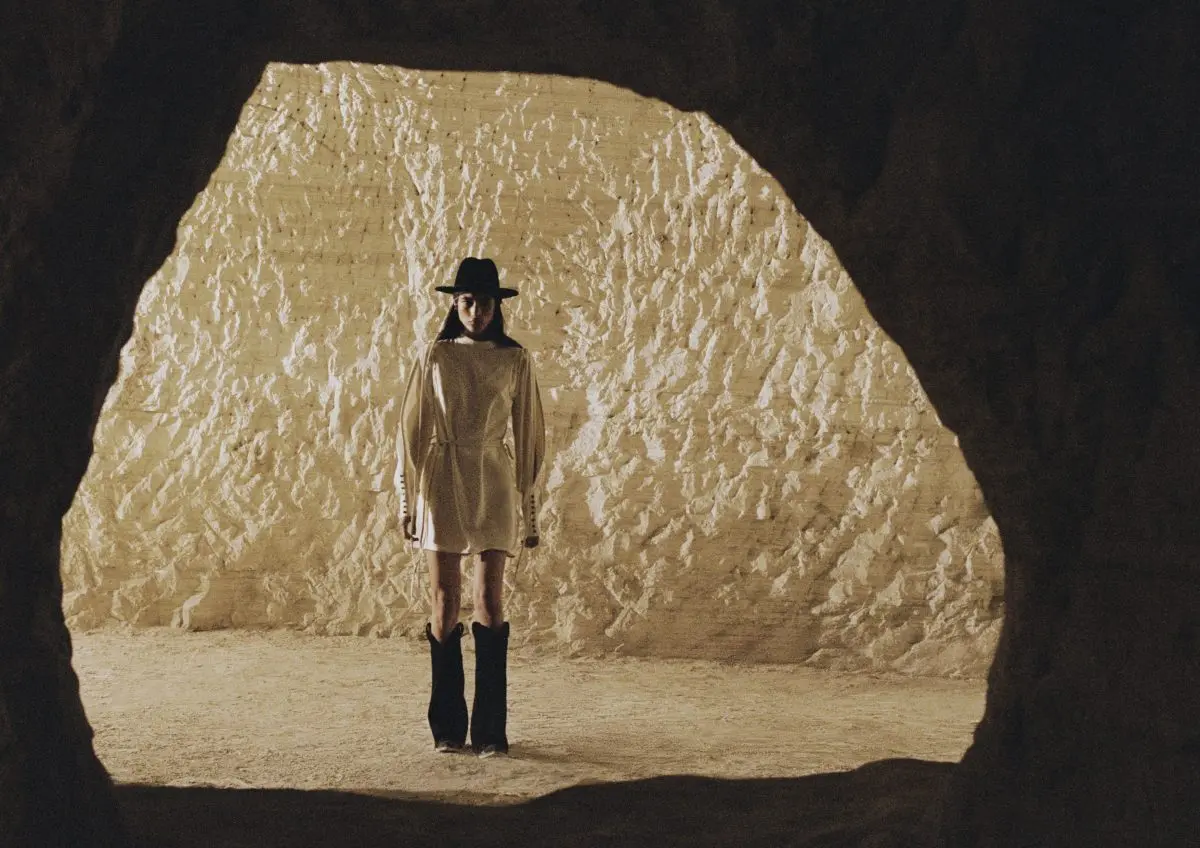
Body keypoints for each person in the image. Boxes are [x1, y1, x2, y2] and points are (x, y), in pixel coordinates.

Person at [395, 257, 545, 757]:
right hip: (442, 478)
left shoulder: (515, 359)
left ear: (497, 306)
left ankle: (490, 731)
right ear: (454, 304)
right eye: (466, 302)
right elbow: (410, 432)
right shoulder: (435, 356)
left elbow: (529, 434)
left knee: (490, 601)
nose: (476, 311)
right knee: (443, 600)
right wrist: (407, 498)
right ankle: (446, 728)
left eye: (484, 302)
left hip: (494, 479)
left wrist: (530, 507)